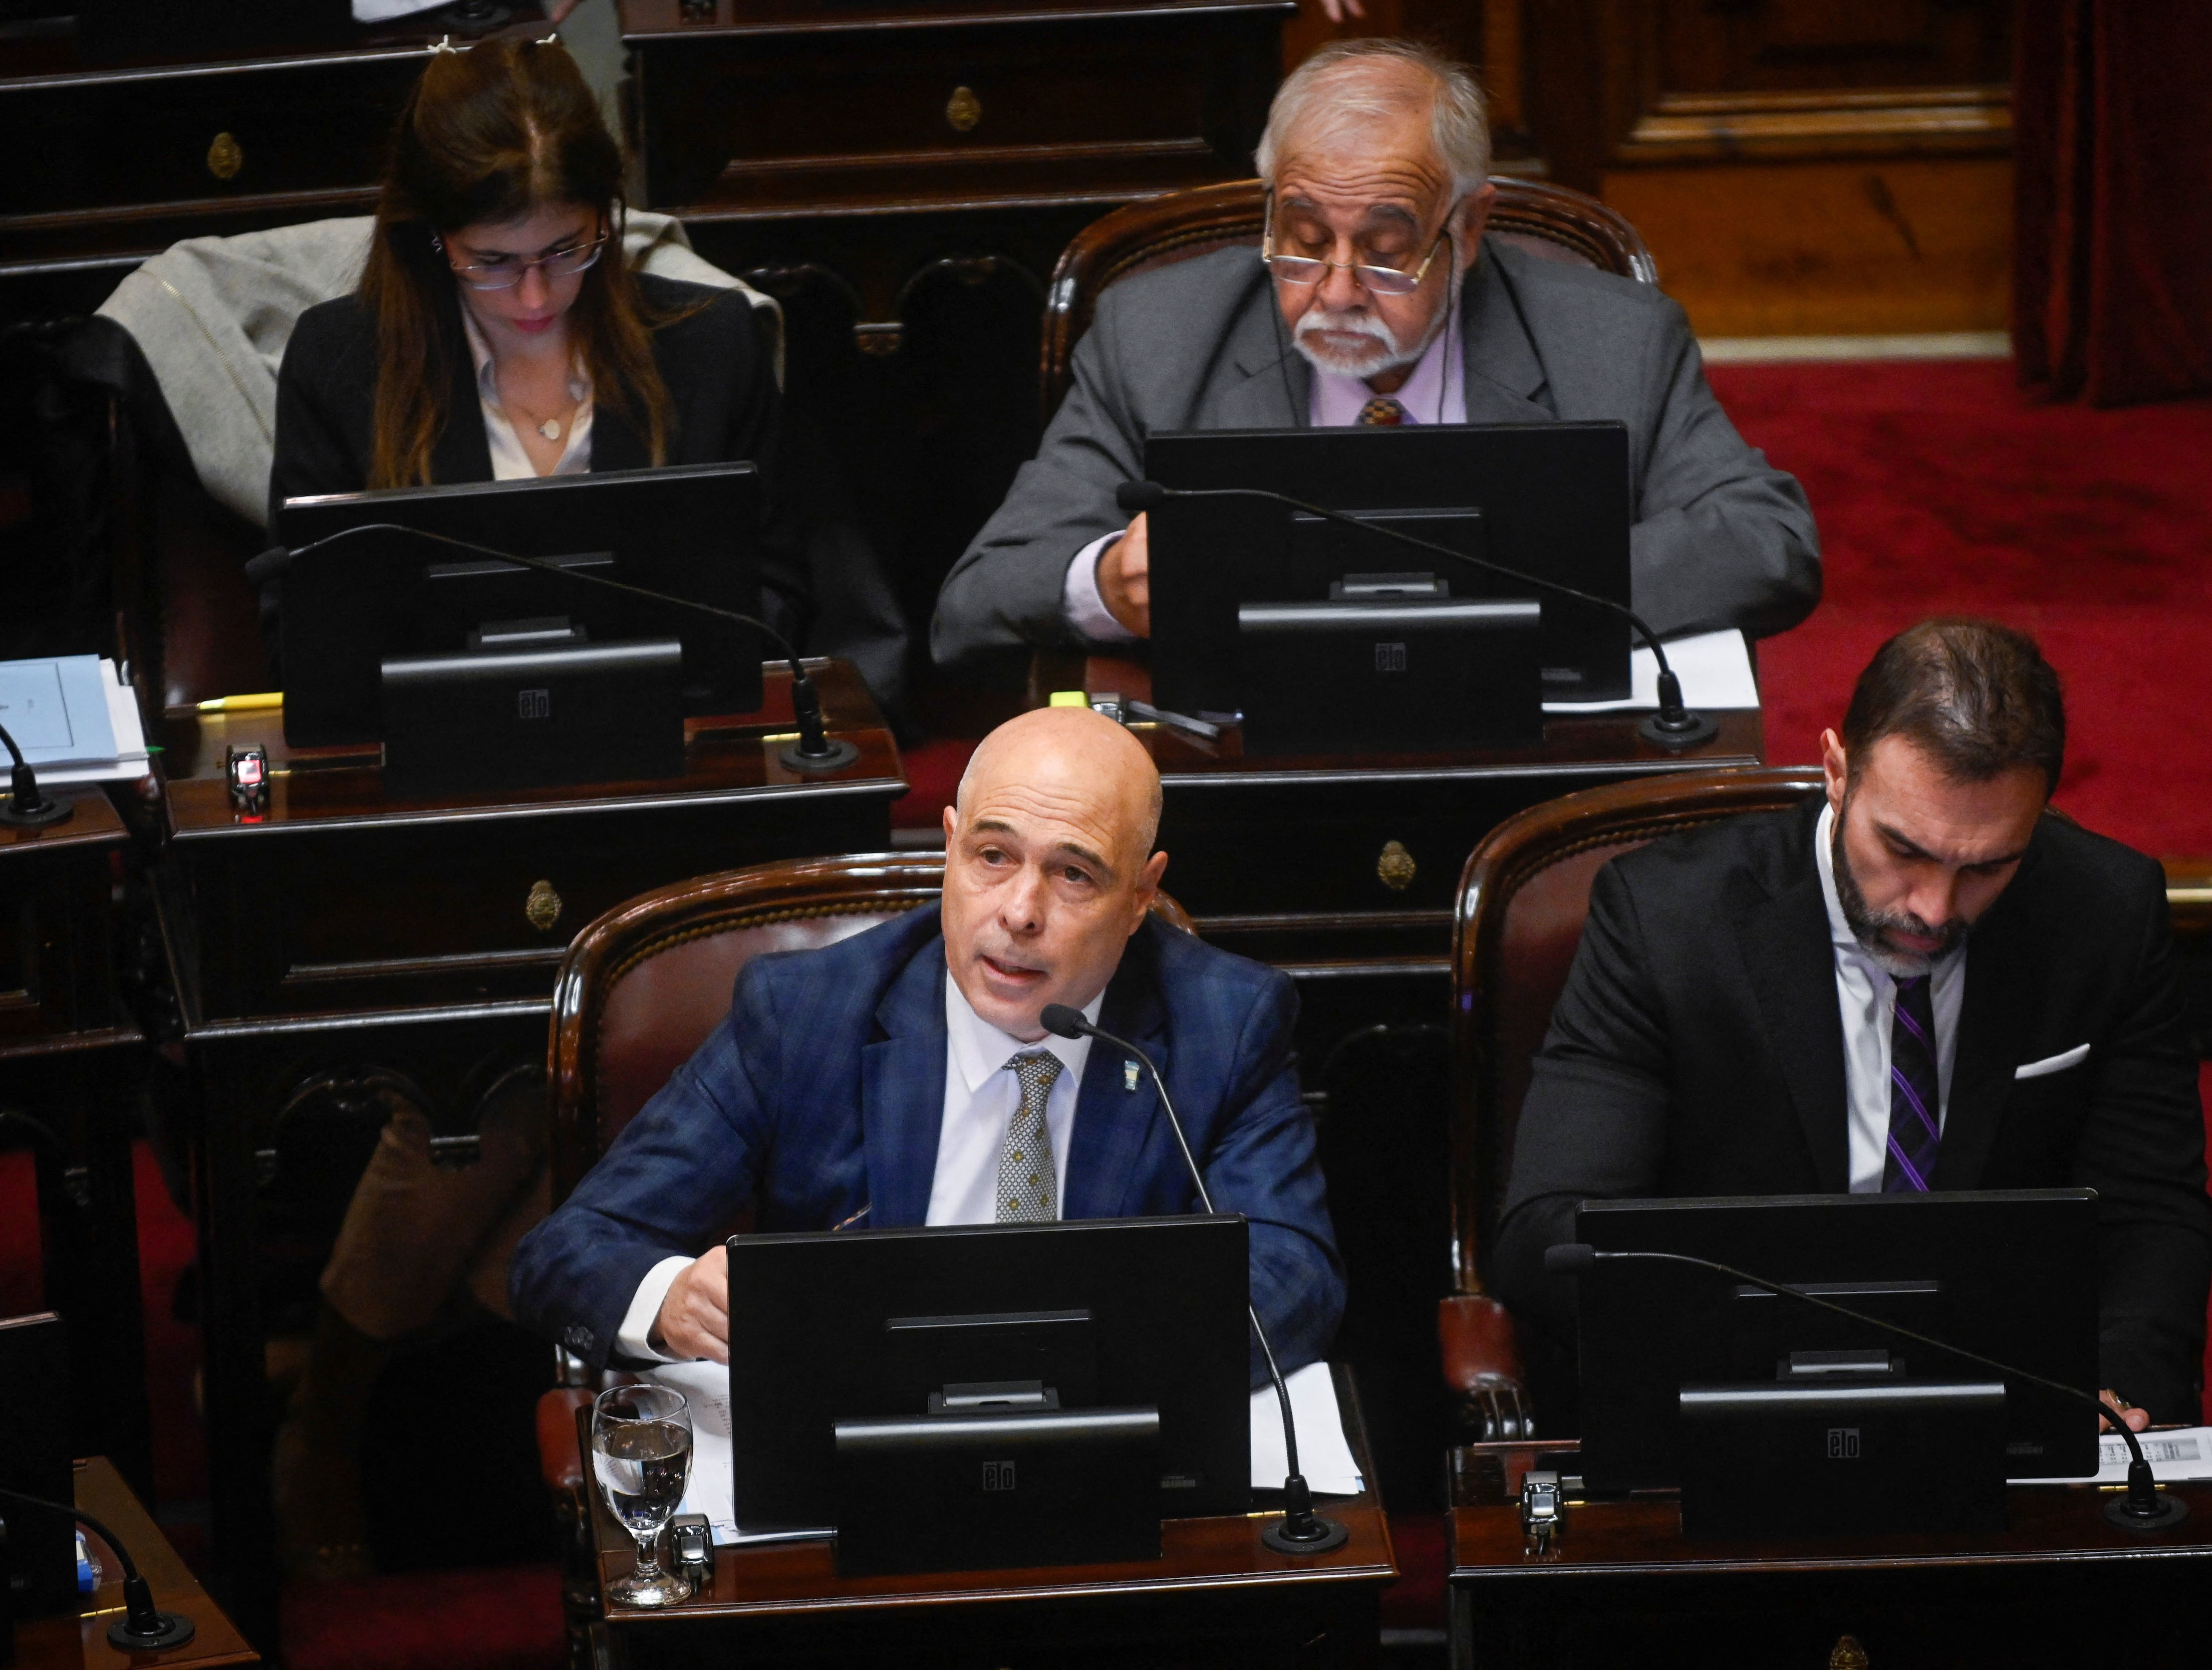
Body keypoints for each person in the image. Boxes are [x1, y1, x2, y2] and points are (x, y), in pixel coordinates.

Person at [1492, 618, 2212, 1427]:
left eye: (1988, 865)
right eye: (1903, 849)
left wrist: (2119, 1385)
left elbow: (2151, 1210)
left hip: (2002, 1401)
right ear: (1837, 772)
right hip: (1734, 1399)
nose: (1934, 909)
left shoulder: (2105, 915)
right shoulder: (1665, 921)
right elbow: (1550, 1233)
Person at [509, 705, 1345, 1381]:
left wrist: (1071, 1362)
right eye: (992, 855)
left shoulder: (1224, 1021)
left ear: (1141, 894)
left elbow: (1293, 1274)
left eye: (1074, 873)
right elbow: (569, 1251)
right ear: (947, 844)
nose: (1020, 911)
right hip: (855, 1466)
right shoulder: (807, 1012)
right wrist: (675, 1299)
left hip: (1107, 1447)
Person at [929, 37, 1818, 667]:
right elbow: (979, 595)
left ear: (1469, 227)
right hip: (1251, 773)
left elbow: (1766, 541)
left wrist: (1498, 584)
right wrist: (1110, 584)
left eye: (1388, 250)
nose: (1339, 290)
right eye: (1304, 238)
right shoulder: (1155, 338)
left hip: (1521, 753)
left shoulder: (1615, 340)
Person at [267, 35, 796, 619]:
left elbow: (776, 589)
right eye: (492, 261)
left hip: (675, 707)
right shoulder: (339, 362)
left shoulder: (712, 343)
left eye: (566, 249)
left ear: (608, 216)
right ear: (433, 237)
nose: (535, 295)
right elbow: (301, 623)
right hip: (440, 712)